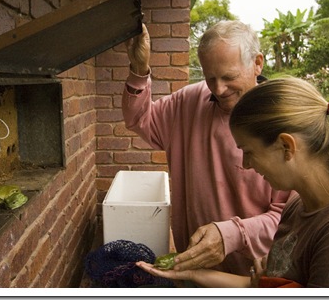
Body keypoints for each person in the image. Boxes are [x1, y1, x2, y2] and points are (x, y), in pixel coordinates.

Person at [137, 77, 329, 288]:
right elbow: (255, 286)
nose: (246, 164)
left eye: (248, 151)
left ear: (286, 147)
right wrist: (194, 273)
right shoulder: (297, 204)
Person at [123, 20, 291, 275]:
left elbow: (289, 220)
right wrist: (139, 68)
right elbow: (138, 119)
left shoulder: (283, 123)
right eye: (210, 77)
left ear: (257, 63)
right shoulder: (189, 101)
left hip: (253, 280)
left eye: (229, 77)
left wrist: (231, 235)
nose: (219, 89)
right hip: (191, 270)